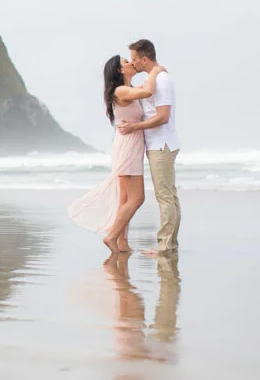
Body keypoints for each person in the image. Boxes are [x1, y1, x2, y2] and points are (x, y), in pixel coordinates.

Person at [68, 55, 165, 252]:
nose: (131, 63)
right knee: (137, 198)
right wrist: (155, 70)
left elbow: (144, 90)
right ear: (120, 70)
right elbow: (148, 91)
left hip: (127, 144)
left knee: (124, 199)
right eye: (126, 62)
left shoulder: (126, 90)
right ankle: (112, 236)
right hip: (128, 146)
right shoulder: (121, 91)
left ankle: (122, 241)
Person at [118, 39, 180, 256]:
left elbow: (162, 117)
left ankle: (165, 246)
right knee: (169, 196)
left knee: (165, 196)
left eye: (134, 59)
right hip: (158, 144)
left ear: (144, 59)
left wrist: (135, 126)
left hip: (161, 144)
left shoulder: (161, 81)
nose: (133, 63)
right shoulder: (154, 80)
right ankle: (170, 245)